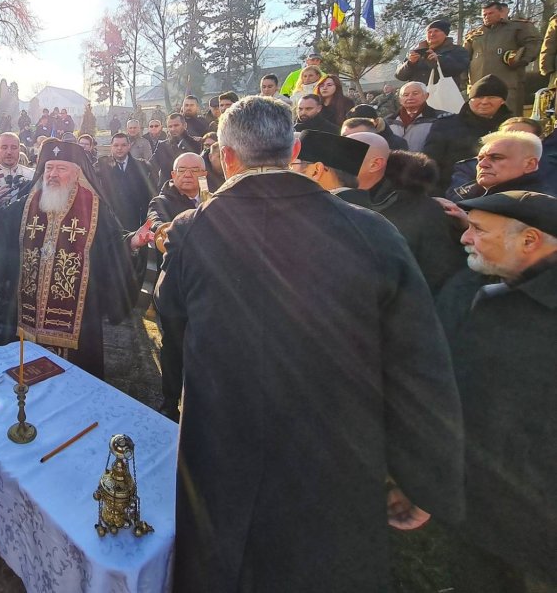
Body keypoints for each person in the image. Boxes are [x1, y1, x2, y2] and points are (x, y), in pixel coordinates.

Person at [155, 96, 464, 592]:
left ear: (226, 157)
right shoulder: (370, 229)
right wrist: (422, 473)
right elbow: (419, 357)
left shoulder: (194, 230)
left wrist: (178, 397)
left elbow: (171, 325)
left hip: (222, 442)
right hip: (334, 450)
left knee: (224, 563)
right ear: (295, 147)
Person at [436, 191, 557, 592]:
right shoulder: (480, 288)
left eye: (477, 230)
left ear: (529, 240)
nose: (464, 239)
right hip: (479, 514)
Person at [0, 140, 136, 378]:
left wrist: (132, 243)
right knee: (25, 379)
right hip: (27, 314)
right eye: (49, 168)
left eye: (61, 169)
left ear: (77, 173)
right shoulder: (30, 202)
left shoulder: (94, 208)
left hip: (77, 321)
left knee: (74, 379)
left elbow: (112, 245)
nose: (52, 175)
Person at [347, 140, 465, 295]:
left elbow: (436, 274)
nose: (335, 162)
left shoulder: (427, 212)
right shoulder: (343, 198)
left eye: (347, 155)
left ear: (375, 163)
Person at [146, 152, 205, 420]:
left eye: (195, 169)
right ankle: (170, 401)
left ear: (205, 173)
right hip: (175, 287)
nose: (188, 175)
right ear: (173, 174)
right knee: (172, 346)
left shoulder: (214, 199)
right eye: (182, 170)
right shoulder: (161, 201)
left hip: (208, 288)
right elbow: (158, 227)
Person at [422, 75, 514, 192]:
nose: (484, 102)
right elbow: (429, 161)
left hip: (503, 192)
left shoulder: (513, 128)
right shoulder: (445, 125)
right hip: (452, 192)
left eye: (491, 97)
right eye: (479, 97)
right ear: (470, 100)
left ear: (502, 101)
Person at [464, 1, 542, 115]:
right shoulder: (475, 34)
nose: (486, 17)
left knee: (508, 116)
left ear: (501, 12)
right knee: (477, 118)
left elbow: (534, 43)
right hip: (478, 85)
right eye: (484, 14)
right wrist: (464, 80)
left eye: (491, 13)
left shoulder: (518, 27)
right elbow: (464, 58)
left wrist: (520, 59)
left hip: (508, 83)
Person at [446, 131, 553, 202]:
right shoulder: (462, 194)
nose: (482, 164)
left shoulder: (541, 206)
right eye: (480, 158)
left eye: (496, 158)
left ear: (530, 165)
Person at [96, 132, 153, 231]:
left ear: (129, 146)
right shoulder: (101, 165)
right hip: (110, 220)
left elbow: (147, 195)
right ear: (111, 146)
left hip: (135, 220)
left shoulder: (142, 166)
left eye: (123, 145)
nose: (119, 148)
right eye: (116, 145)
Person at [395, 19, 470, 86]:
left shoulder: (457, 50)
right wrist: (410, 63)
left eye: (436, 31)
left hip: (444, 96)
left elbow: (459, 68)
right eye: (429, 32)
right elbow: (400, 76)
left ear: (445, 34)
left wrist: (439, 60)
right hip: (419, 98)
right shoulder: (417, 51)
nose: (432, 34)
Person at [388, 81, 449, 152]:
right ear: (400, 100)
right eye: (406, 95)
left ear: (426, 96)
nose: (410, 97)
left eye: (415, 94)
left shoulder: (441, 119)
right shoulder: (388, 121)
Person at [152, 113, 202, 183]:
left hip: (190, 185)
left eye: (176, 125)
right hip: (168, 189)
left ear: (185, 125)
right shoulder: (162, 146)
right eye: (170, 126)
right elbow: (150, 164)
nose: (173, 129)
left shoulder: (197, 144)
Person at [341, 104, 408, 150]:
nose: (355, 127)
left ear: (376, 122)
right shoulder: (347, 139)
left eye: (361, 123)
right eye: (351, 123)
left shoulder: (397, 144)